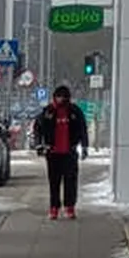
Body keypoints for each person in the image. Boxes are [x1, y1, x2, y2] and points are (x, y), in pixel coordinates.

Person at [33, 85, 85, 219]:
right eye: (59, 97)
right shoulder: (48, 112)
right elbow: (38, 128)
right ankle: (54, 207)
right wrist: (39, 145)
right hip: (53, 153)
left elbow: (82, 129)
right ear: (54, 97)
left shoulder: (74, 111)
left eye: (64, 97)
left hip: (70, 152)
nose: (61, 99)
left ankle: (70, 207)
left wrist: (84, 146)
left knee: (70, 181)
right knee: (54, 182)